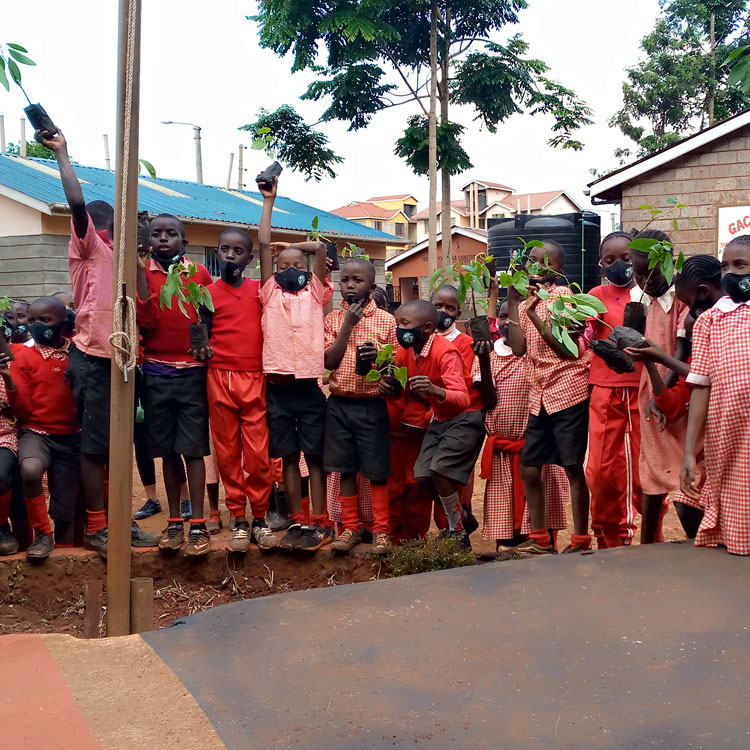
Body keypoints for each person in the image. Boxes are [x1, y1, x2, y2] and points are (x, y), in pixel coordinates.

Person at [37, 127, 114, 558]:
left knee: (115, 445)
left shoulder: (123, 260)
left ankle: (113, 523)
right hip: (92, 358)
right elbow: (77, 203)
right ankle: (99, 529)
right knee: (94, 447)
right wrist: (63, 154)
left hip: (121, 361)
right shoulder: (89, 248)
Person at [258, 175, 334, 552]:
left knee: (315, 457)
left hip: (309, 388)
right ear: (273, 269)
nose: (289, 268)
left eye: (295, 263)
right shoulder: (269, 290)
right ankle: (296, 516)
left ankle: (320, 519)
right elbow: (261, 242)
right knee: (288, 457)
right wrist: (268, 202)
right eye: (282, 262)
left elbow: (319, 248)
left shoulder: (315, 292)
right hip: (278, 390)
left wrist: (297, 247)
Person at [191, 225, 277, 552]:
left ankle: (261, 518)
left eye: (237, 251)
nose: (230, 256)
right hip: (220, 377)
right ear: (217, 252)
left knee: (257, 454)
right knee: (227, 452)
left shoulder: (260, 290)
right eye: (225, 250)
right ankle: (239, 518)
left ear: (249, 258)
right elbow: (202, 332)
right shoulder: (208, 294)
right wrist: (198, 344)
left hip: (255, 376)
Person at [626, 255, 724, 539]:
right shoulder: (692, 320)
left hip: (720, 417)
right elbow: (682, 388)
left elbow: (698, 371)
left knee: (695, 497)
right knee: (674, 490)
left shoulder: (706, 322)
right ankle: (651, 544)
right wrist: (653, 368)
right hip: (686, 400)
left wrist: (658, 358)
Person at [507, 240, 592, 556]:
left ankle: (581, 539)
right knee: (529, 466)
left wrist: (534, 315)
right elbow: (518, 349)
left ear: (558, 270)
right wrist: (515, 301)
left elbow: (564, 350)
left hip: (568, 390)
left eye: (543, 262)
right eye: (531, 261)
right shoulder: (526, 301)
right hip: (539, 394)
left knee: (572, 466)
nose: (534, 267)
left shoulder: (566, 300)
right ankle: (541, 539)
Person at [137, 214, 212, 557]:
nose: (163, 239)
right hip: (155, 372)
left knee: (194, 449)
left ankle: (198, 522)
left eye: (171, 234)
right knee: (167, 450)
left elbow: (208, 318)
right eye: (157, 234)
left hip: (192, 373)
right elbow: (146, 319)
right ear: (149, 239)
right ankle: (172, 521)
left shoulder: (197, 274)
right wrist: (140, 272)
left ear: (185, 240)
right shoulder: (142, 271)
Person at [475, 301, 569, 552]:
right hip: (504, 456)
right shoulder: (490, 357)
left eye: (513, 317)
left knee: (542, 523)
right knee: (505, 527)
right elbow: (489, 400)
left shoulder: (539, 356)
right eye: (503, 316)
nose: (507, 322)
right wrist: (483, 360)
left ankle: (545, 551)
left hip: (539, 450)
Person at [383, 300, 475, 548]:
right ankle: (461, 513)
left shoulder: (445, 352)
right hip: (439, 416)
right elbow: (400, 384)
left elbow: (463, 398)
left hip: (463, 417)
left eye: (405, 324)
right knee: (423, 476)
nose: (399, 329)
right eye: (397, 323)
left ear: (426, 328)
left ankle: (455, 527)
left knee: (439, 470)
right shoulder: (406, 351)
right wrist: (390, 386)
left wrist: (435, 390)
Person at [682, 236, 750, 555]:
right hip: (725, 433)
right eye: (725, 266)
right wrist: (688, 451)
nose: (730, 274)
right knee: (731, 495)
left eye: (740, 265)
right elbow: (701, 385)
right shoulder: (711, 320)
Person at [324, 258, 397, 554]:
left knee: (377, 471)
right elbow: (328, 362)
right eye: (345, 280)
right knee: (345, 469)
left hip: (371, 405)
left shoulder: (387, 321)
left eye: (358, 280)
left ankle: (381, 530)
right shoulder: (331, 320)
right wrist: (348, 326)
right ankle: (351, 527)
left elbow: (394, 367)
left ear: (372, 286)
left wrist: (379, 359)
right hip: (339, 404)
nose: (350, 285)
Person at [586, 231, 644, 548]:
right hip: (605, 390)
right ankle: (608, 536)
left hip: (642, 388)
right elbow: (584, 336)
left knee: (641, 469)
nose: (619, 265)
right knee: (601, 471)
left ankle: (650, 533)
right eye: (610, 260)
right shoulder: (596, 295)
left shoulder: (650, 295)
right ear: (601, 264)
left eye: (626, 258)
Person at [630, 229, 688, 544]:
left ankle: (697, 534)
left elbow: (679, 352)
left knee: (684, 475)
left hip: (676, 397)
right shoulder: (649, 303)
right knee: (651, 473)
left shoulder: (681, 298)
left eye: (651, 271)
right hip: (651, 396)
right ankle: (648, 542)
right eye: (639, 274)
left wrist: (662, 393)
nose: (645, 280)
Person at [431, 284, 485, 534]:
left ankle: (459, 529)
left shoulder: (467, 344)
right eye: (437, 306)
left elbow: (466, 384)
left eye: (449, 308)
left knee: (455, 477)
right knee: (431, 477)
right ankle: (452, 526)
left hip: (461, 419)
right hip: (431, 420)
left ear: (458, 312)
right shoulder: (423, 339)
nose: (442, 312)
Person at [0, 327, 19, 555]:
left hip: (4, 436)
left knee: (1, 476)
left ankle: (2, 527)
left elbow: (21, 409)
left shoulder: (11, 367)